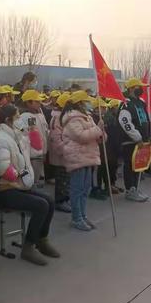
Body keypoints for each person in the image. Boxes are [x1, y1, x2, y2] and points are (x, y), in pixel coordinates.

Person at [0, 104, 60, 266]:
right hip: (6, 189)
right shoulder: (1, 139)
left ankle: (41, 240)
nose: (20, 120)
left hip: (19, 185)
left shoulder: (16, 135)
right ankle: (28, 247)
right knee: (41, 205)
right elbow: (3, 170)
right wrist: (21, 177)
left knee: (49, 200)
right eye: (17, 117)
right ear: (8, 120)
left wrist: (33, 129)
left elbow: (37, 147)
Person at [61, 91, 104, 231]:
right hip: (77, 158)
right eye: (85, 101)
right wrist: (97, 129)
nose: (88, 103)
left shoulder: (87, 117)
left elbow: (96, 135)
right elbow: (81, 136)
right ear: (79, 103)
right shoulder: (72, 119)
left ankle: (83, 215)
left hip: (88, 157)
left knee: (86, 188)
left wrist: (101, 133)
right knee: (77, 189)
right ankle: (76, 218)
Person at [118, 78, 151, 203]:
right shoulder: (126, 104)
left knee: (138, 166)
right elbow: (125, 122)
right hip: (131, 141)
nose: (141, 89)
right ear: (132, 88)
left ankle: (135, 188)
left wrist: (150, 135)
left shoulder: (140, 103)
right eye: (139, 86)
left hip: (143, 141)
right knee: (130, 165)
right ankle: (130, 190)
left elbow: (146, 120)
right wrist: (137, 137)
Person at [17, 90, 49, 187]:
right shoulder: (26, 117)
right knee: (33, 180)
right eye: (37, 101)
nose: (39, 104)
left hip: (41, 153)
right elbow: (30, 135)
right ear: (28, 102)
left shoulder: (40, 115)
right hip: (33, 154)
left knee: (38, 178)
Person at [49, 92, 71, 212]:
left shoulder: (62, 116)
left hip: (65, 152)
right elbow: (56, 138)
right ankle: (60, 201)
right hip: (61, 153)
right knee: (62, 178)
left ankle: (65, 199)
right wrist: (65, 150)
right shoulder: (58, 118)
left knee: (66, 178)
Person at [103, 99, 124, 193]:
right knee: (111, 167)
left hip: (113, 146)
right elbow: (113, 134)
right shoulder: (110, 119)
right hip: (110, 147)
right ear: (113, 107)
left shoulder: (114, 116)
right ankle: (109, 185)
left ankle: (113, 184)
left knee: (113, 167)